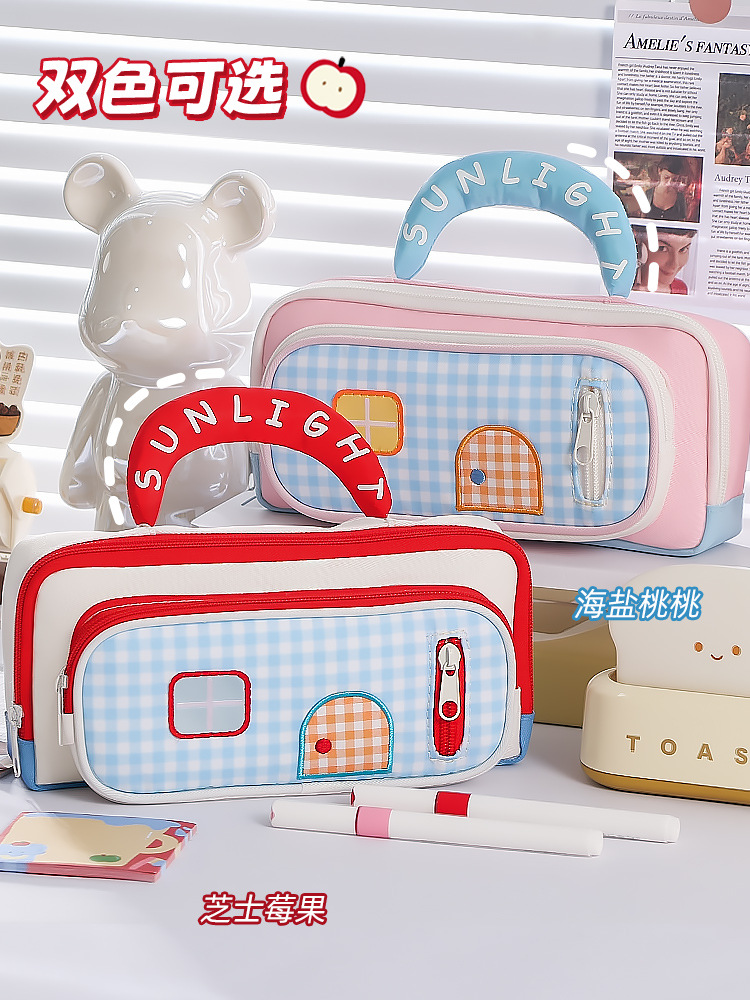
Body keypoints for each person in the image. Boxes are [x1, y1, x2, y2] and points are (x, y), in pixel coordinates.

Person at [632, 227, 696, 295]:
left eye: (683, 249)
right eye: (662, 248)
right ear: (639, 248)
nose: (674, 265)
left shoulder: (680, 288)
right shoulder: (626, 286)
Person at [646, 156, 688, 220]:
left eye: (674, 179)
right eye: (666, 177)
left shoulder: (680, 198)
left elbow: (683, 221)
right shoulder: (648, 195)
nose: (669, 183)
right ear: (659, 171)